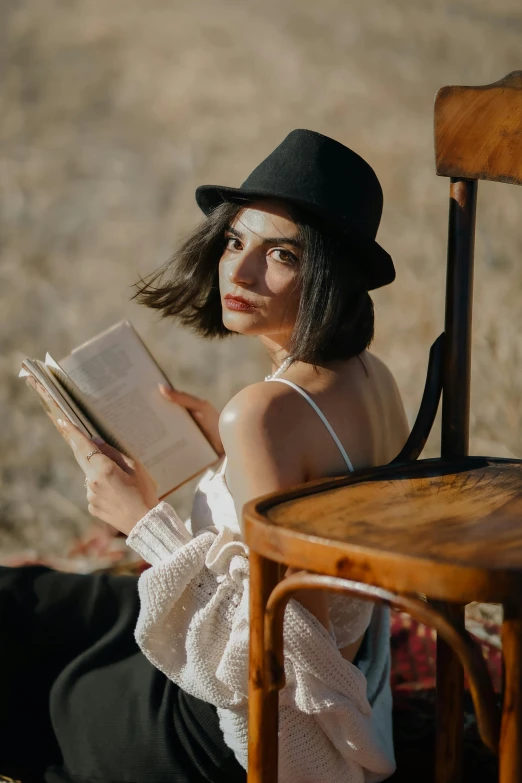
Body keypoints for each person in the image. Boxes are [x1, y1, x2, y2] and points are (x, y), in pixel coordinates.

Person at [1, 129, 409, 783]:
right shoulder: (372, 375)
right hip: (322, 669)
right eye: (234, 241)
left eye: (280, 253)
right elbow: (318, 522)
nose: (239, 272)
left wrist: (144, 521)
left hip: (240, 722)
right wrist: (228, 455)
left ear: (330, 270)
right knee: (21, 599)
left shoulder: (263, 412)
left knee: (44, 694)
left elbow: (284, 648)